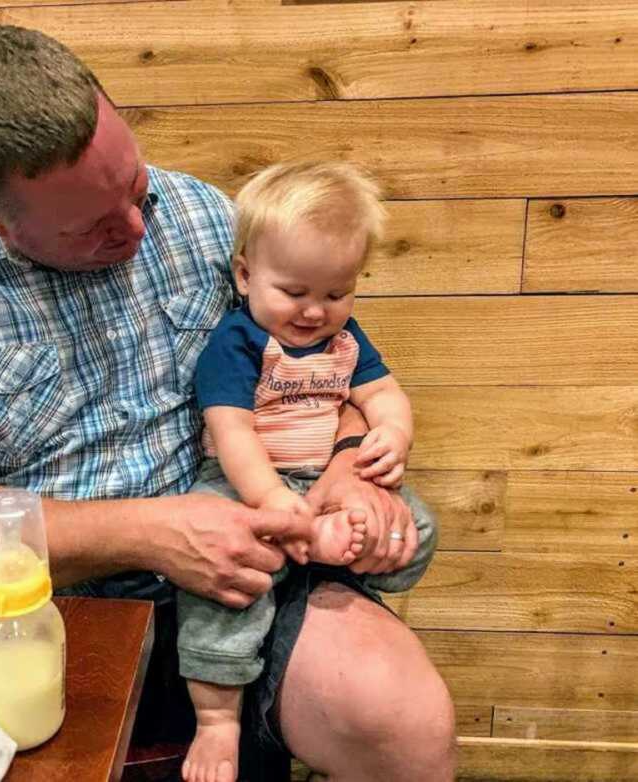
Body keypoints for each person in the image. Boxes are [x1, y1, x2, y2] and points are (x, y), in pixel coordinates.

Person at [0, 24, 456, 781]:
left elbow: (324, 364)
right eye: (93, 225)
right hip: (42, 593)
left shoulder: (199, 217)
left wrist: (350, 464)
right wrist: (149, 531)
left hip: (244, 548)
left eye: (135, 187)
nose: (137, 227)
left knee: (404, 716)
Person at [178, 161, 431, 782]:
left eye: (336, 292)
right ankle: (218, 721)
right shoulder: (238, 343)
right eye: (294, 292)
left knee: (419, 525)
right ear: (245, 275)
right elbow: (232, 431)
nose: (315, 312)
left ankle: (332, 549)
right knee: (228, 581)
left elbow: (385, 396)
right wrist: (269, 497)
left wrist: (392, 435)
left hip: (324, 473)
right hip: (246, 480)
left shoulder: (346, 342)